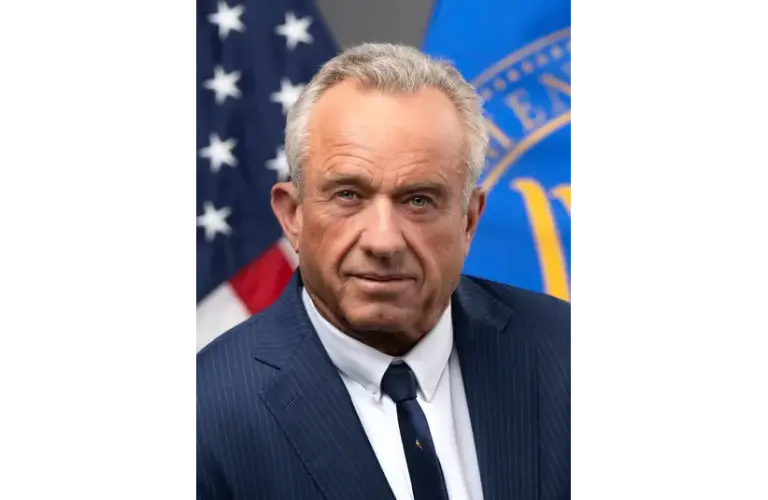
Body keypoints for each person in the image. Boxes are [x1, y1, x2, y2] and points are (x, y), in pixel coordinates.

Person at [194, 43, 573, 500]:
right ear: (292, 216)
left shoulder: (563, 355)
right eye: (348, 195)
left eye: (419, 200)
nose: (383, 241)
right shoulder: (206, 414)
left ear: (469, 220)